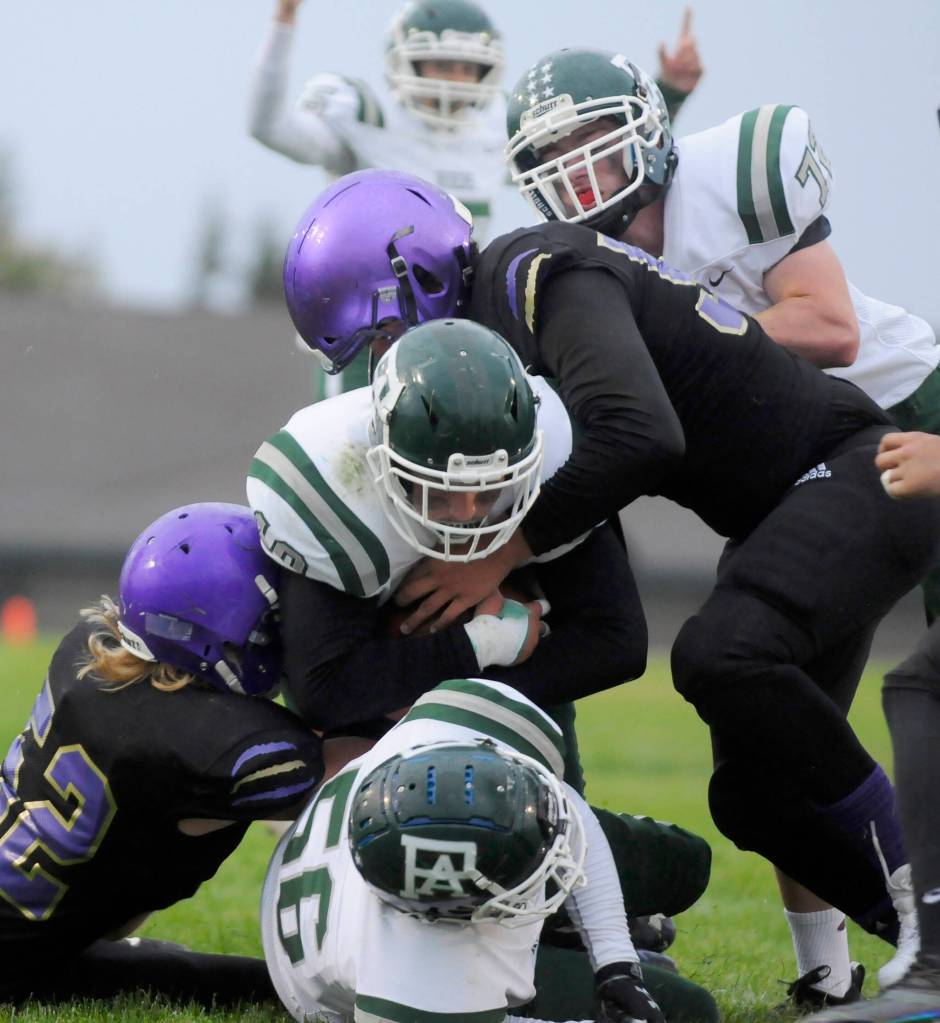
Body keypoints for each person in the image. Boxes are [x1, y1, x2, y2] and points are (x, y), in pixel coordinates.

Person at [279, 166, 940, 1010]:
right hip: (781, 511)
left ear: (421, 284)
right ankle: (904, 966)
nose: (380, 370)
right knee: (754, 798)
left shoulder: (537, 274)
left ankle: (935, 919)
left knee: (720, 655)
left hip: (848, 471)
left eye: (376, 340)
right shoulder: (504, 350)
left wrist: (504, 548)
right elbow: (615, 614)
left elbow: (640, 430)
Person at [501, 47, 940, 1003]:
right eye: (558, 155)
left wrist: (663, 332)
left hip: (908, 417)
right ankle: (834, 970)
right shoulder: (582, 273)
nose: (580, 170)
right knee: (762, 763)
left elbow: (832, 328)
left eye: (596, 145)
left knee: (903, 689)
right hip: (796, 484)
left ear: (649, 138)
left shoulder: (723, 178)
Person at [250, 261, 712, 984]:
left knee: (676, 865)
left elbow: (617, 643)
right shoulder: (334, 479)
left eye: (489, 493)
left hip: (473, 703)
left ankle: (561, 897)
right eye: (439, 492)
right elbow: (323, 690)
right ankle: (549, 902)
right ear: (382, 455)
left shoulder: (556, 447)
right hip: (374, 738)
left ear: (527, 455)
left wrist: (482, 661)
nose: (467, 517)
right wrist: (485, 641)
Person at [248, 0, 703, 396]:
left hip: (456, 322)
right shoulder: (368, 117)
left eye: (466, 67)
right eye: (441, 64)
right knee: (349, 461)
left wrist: (669, 95)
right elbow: (267, 126)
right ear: (404, 63)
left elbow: (595, 165)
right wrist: (283, 21)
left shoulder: (493, 130)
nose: (455, 79)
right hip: (370, 323)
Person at [0, 502, 330, 1007]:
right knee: (272, 994)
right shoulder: (196, 746)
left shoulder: (90, 650)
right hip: (14, 957)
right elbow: (358, 772)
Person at [261, 675, 719, 1023]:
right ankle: (566, 935)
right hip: (360, 964)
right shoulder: (408, 965)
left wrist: (614, 960)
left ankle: (587, 933)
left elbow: (564, 804)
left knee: (685, 863)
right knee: (687, 1009)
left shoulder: (446, 738)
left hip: (345, 896)